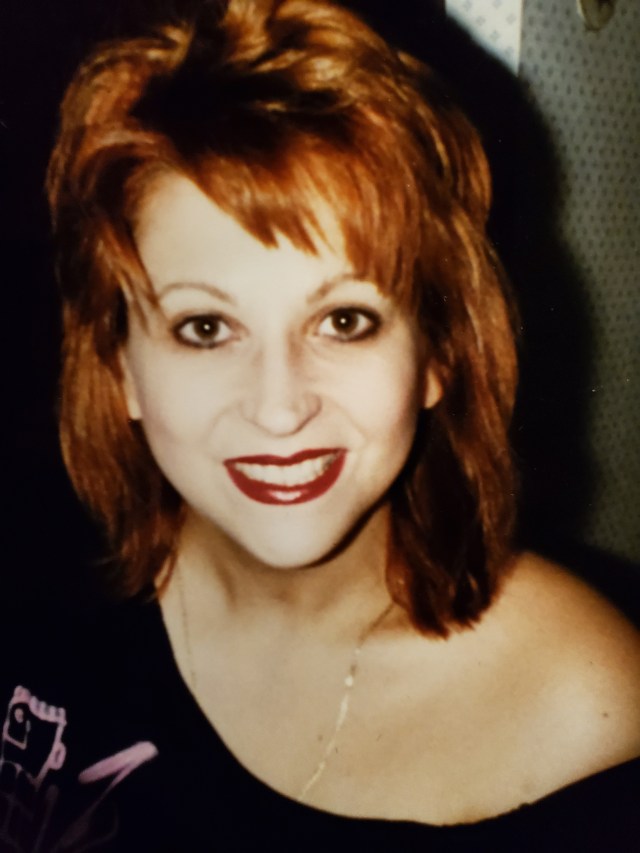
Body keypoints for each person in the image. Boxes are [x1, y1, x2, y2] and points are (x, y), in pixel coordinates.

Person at [2, 0, 639, 849]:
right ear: (120, 365)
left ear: (437, 356)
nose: (278, 407)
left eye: (344, 321)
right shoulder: (33, 578)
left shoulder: (586, 707)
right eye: (205, 327)